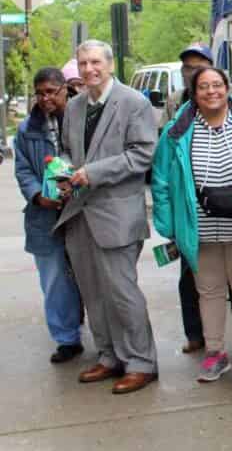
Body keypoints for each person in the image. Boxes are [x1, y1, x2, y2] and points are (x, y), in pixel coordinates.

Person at [151, 66, 232, 385]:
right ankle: (215, 353)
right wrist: (167, 224)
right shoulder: (176, 131)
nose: (212, 91)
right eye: (204, 86)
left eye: (218, 85)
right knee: (208, 291)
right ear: (194, 92)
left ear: (228, 88)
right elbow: (160, 179)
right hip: (198, 228)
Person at [54, 40, 158, 394]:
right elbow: (67, 150)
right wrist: (63, 171)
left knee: (122, 292)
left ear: (110, 65)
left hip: (116, 215)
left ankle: (141, 362)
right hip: (79, 213)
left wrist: (93, 172)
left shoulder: (134, 103)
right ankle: (110, 356)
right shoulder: (75, 106)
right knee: (93, 292)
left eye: (95, 62)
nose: (88, 70)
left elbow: (142, 154)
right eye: (83, 63)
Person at [160, 42, 232, 354]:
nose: (192, 71)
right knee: (193, 279)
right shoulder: (175, 103)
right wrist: (168, 219)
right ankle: (197, 336)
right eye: (187, 67)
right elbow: (165, 157)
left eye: (199, 64)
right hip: (194, 215)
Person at [14, 68, 84, 364]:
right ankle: (67, 338)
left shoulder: (81, 120)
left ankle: (106, 336)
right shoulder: (27, 129)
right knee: (54, 278)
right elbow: (23, 169)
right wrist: (36, 194)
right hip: (44, 215)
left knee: (89, 274)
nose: (45, 98)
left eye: (51, 92)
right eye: (40, 92)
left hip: (80, 210)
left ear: (65, 90)